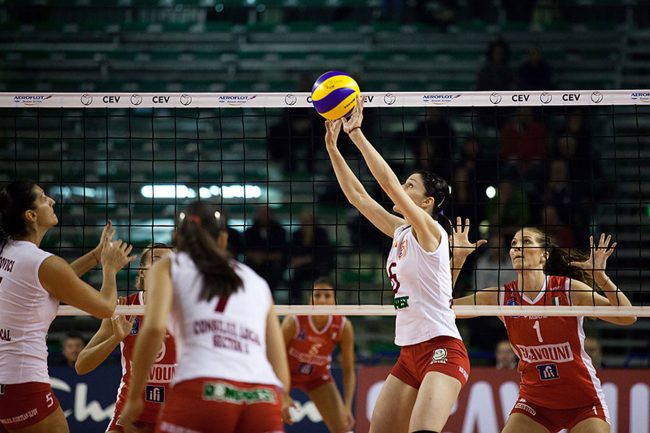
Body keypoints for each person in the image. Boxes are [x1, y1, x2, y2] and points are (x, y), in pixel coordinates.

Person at [325, 96, 470, 433]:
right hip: (408, 352)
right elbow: (357, 197)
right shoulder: (400, 231)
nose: (402, 189)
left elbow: (387, 183)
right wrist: (333, 146)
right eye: (405, 184)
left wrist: (357, 134)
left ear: (427, 202)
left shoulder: (430, 231)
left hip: (442, 349)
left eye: (411, 186)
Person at [119, 201, 294, 433]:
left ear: (177, 238)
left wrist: (133, 398)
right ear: (223, 239)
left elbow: (153, 330)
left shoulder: (170, 266)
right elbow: (276, 354)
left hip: (203, 387)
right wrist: (285, 395)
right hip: (262, 396)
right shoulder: (256, 281)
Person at [452, 221, 636, 433]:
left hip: (583, 402)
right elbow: (444, 308)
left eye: (526, 242)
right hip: (535, 405)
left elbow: (627, 317)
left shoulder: (567, 289)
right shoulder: (502, 296)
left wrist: (601, 278)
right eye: (513, 244)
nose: (516, 248)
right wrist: (457, 259)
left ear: (544, 255)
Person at [0, 181, 134, 433]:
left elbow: (57, 283)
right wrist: (109, 268)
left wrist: (95, 255)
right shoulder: (42, 262)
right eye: (42, 198)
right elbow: (105, 308)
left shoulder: (9, 251)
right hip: (23, 384)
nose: (51, 200)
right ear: (30, 215)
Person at [75, 243, 174, 433]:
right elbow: (81, 365)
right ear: (142, 271)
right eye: (156, 261)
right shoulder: (123, 309)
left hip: (174, 414)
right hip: (131, 414)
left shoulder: (187, 310)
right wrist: (115, 339)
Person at [282, 277, 355, 433]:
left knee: (343, 428)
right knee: (263, 422)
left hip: (317, 377)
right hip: (285, 376)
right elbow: (273, 358)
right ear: (310, 300)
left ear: (334, 301)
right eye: (317, 295)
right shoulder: (293, 321)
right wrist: (282, 393)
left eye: (327, 296)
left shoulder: (343, 326)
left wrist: (347, 406)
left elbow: (348, 369)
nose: (322, 300)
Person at [288, 211, 334, 303]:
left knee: (322, 273)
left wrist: (307, 259)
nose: (305, 224)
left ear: (313, 221)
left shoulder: (321, 233)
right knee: (295, 276)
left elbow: (324, 253)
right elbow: (292, 252)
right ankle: (295, 301)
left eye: (308, 221)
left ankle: (324, 301)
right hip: (303, 268)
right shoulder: (296, 234)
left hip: (318, 266)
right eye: (303, 221)